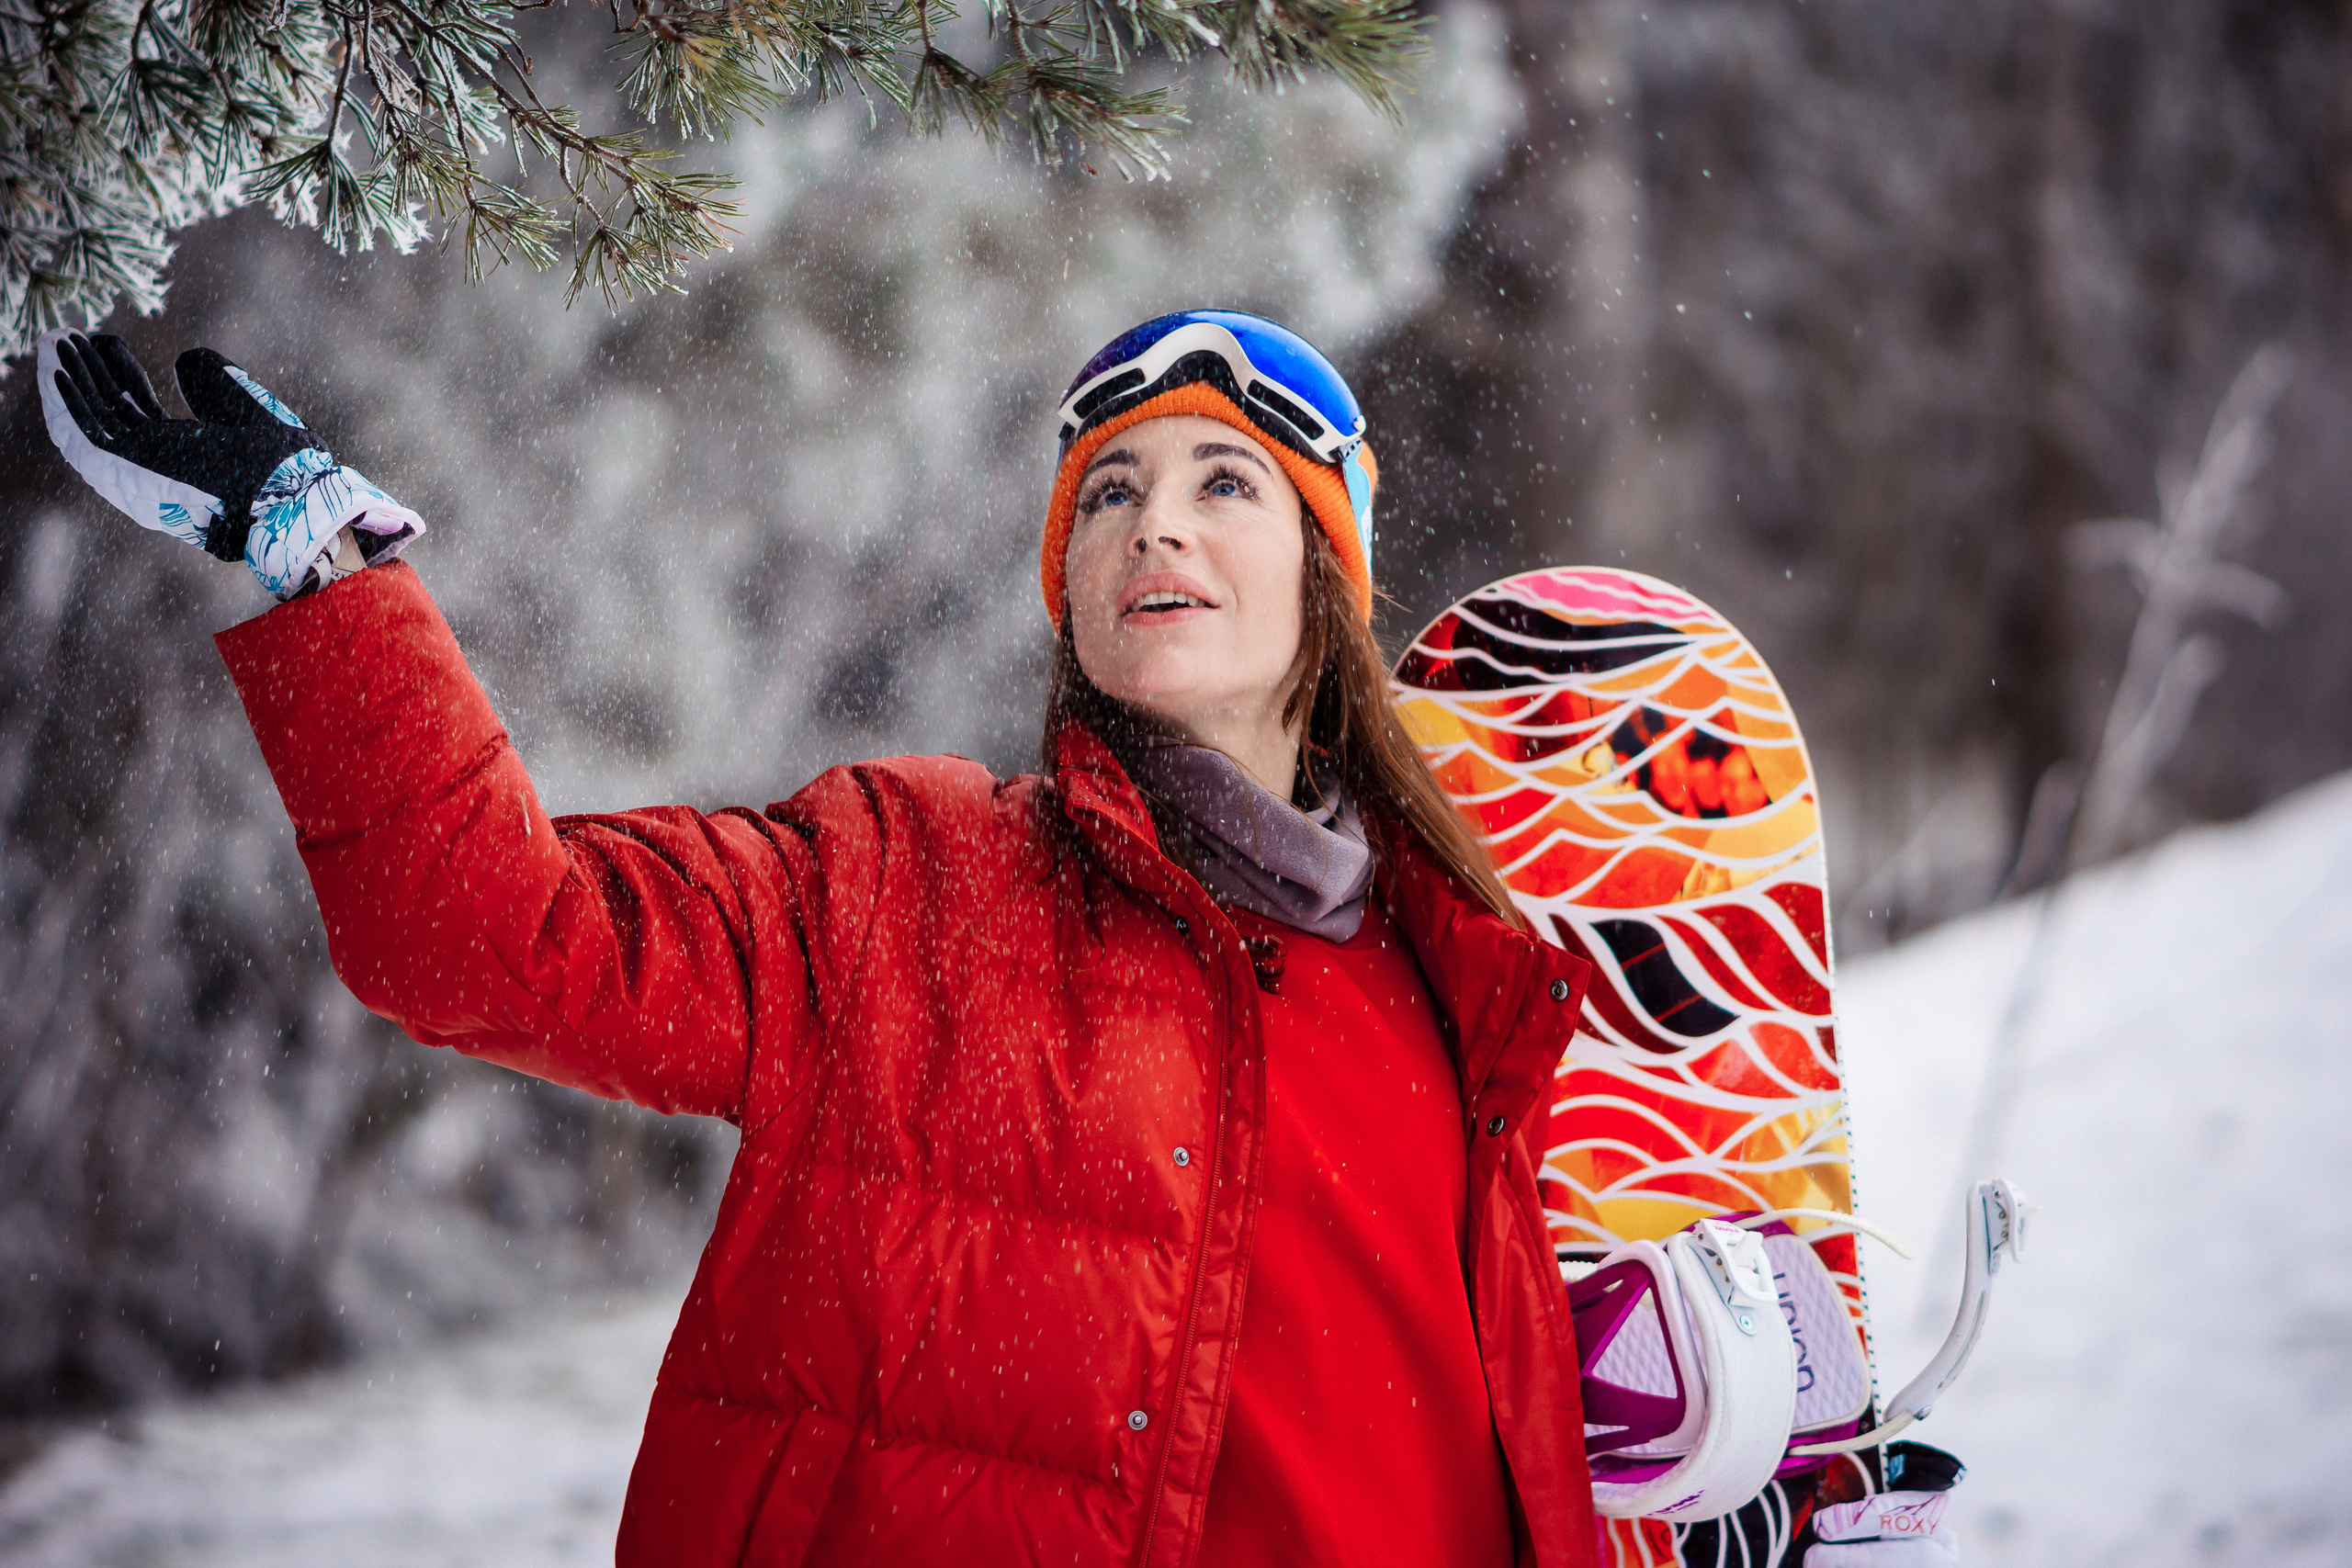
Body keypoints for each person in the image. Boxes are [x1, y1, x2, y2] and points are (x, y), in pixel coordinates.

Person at [38, 310, 1604, 1567]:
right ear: (1066, 591)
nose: (1154, 527)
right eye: (1111, 493)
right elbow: (490, 932)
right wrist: (320, 558)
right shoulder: (904, 883)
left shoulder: (1468, 999)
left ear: (1328, 576)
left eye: (1226, 484)